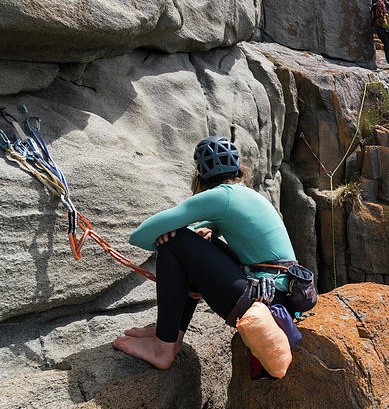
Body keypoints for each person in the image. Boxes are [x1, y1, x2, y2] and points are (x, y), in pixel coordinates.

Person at [113, 135, 298, 369]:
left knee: (175, 240)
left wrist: (169, 240)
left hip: (259, 300)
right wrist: (202, 232)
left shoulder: (221, 196)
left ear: (200, 176)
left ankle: (163, 347)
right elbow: (208, 229)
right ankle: (170, 334)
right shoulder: (246, 194)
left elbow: (140, 235)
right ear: (238, 169)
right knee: (191, 241)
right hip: (277, 297)